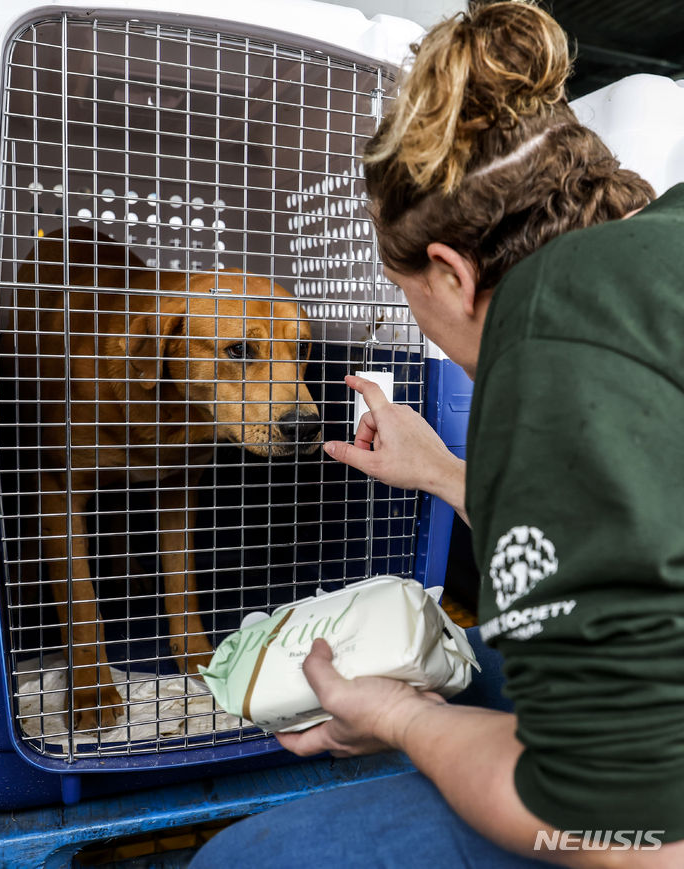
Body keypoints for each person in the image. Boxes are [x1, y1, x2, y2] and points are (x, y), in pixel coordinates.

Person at [190, 2, 684, 865]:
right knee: (479, 653)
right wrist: (450, 474)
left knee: (239, 859)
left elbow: (628, 840)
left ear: (451, 273)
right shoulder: (659, 240)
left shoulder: (549, 327)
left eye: (411, 302)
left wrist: (398, 718)